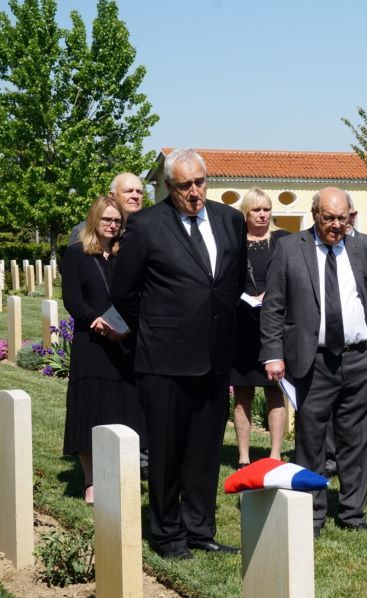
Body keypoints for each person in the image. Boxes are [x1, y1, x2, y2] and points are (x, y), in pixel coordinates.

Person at [111, 148, 246, 560]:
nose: (194, 192)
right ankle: (167, 533)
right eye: (185, 185)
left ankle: (200, 528)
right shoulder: (147, 226)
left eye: (200, 182)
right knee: (168, 451)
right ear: (169, 187)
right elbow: (124, 292)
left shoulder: (229, 220)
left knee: (205, 450)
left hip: (213, 355)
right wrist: (159, 325)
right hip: (164, 359)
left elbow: (232, 279)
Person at [261, 187, 367, 534]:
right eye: (328, 218)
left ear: (351, 215)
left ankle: (352, 514)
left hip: (360, 358)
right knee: (311, 441)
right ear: (315, 215)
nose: (336, 225)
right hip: (313, 361)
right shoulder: (289, 249)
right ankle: (312, 515)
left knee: (357, 440)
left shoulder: (364, 249)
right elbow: (273, 306)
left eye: (342, 218)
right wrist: (273, 353)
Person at [61, 196, 145, 505]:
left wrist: (125, 326)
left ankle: (120, 475)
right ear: (94, 219)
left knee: (123, 407)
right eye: (106, 219)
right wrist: (92, 319)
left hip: (122, 342)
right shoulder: (76, 254)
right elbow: (72, 297)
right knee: (91, 410)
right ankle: (92, 481)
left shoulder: (126, 255)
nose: (112, 225)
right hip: (91, 342)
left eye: (117, 221)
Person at [324, 192, 367, 484]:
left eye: (348, 215)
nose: (344, 221)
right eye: (336, 216)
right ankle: (331, 458)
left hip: (364, 342)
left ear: (354, 215)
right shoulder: (320, 246)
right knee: (329, 403)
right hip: (329, 341)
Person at [230, 188, 289, 468]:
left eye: (266, 209)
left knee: (275, 391)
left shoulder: (283, 241)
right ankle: (243, 456)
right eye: (256, 210)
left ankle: (275, 453)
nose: (263, 214)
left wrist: (273, 295)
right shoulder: (234, 243)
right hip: (242, 326)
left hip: (275, 326)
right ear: (246, 213)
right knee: (242, 392)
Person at [68, 173, 144, 245]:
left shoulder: (146, 230)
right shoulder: (83, 231)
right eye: (128, 191)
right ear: (111, 195)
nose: (135, 196)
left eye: (139, 192)